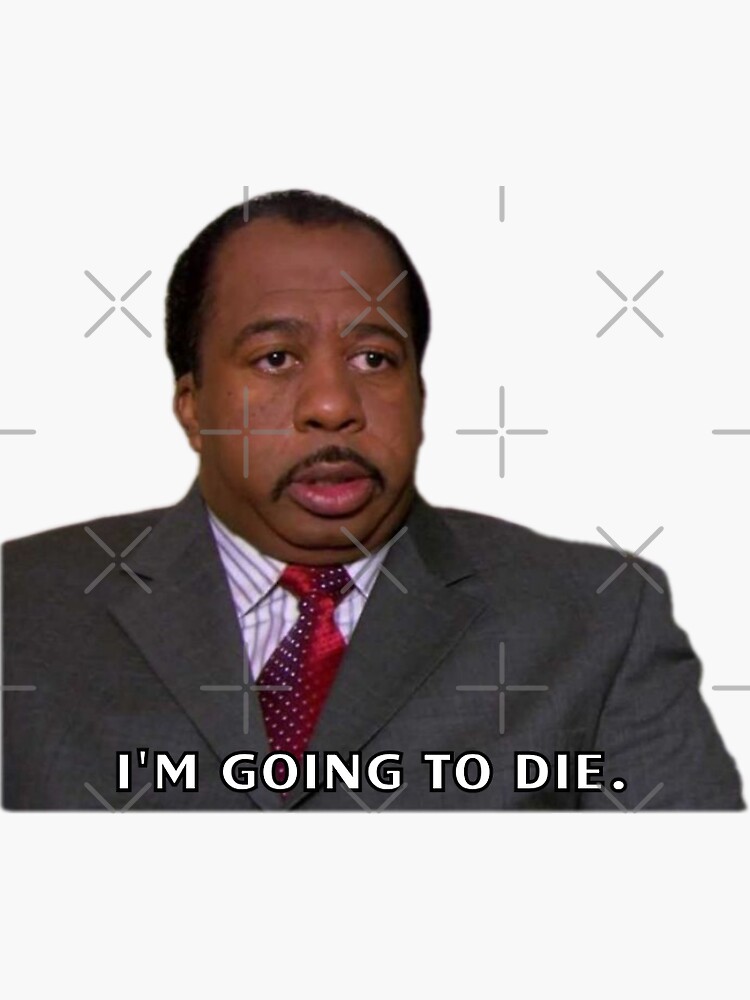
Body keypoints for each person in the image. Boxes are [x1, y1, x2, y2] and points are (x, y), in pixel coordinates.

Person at [2, 189, 743, 810]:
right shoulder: (22, 611)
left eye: (373, 358)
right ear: (193, 407)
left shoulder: (598, 618)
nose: (332, 405)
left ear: (419, 394)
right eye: (276, 358)